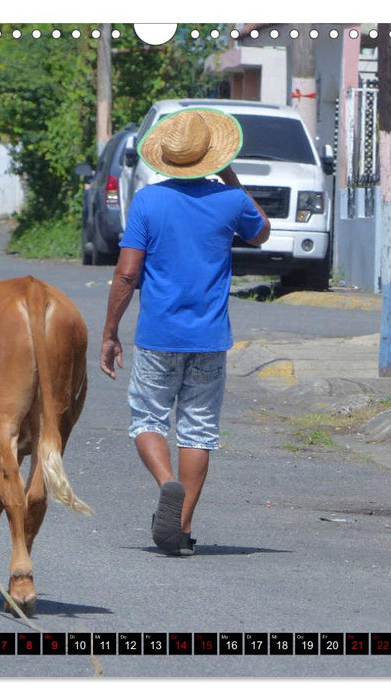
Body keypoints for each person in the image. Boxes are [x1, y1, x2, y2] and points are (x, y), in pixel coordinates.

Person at [100, 107, 270, 556]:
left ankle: (165, 483)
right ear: (213, 156)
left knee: (148, 419)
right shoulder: (230, 201)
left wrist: (110, 331)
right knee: (197, 431)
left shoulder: (150, 202)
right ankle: (182, 527)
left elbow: (126, 273)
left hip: (158, 336)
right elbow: (263, 234)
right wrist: (228, 175)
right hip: (210, 339)